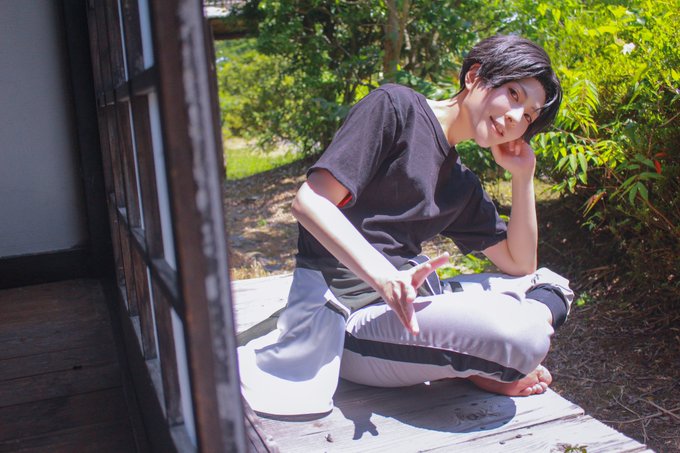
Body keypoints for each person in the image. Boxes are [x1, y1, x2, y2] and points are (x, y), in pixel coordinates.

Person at [237, 34, 574, 417]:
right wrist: (384, 277)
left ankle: (479, 358)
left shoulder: (459, 184)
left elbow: (521, 264)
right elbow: (310, 202)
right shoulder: (395, 107)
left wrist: (523, 176)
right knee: (522, 335)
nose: (516, 118)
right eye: (513, 94)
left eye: (528, 116)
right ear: (474, 76)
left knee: (551, 284)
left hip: (407, 306)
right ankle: (482, 361)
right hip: (344, 318)